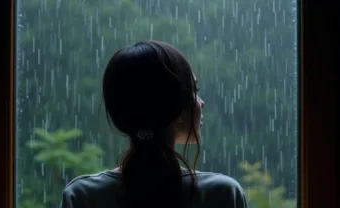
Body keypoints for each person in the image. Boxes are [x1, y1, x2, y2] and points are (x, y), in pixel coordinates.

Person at [60, 40, 248, 208]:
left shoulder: (83, 195)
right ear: (177, 107)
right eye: (194, 90)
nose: (201, 102)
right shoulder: (220, 194)